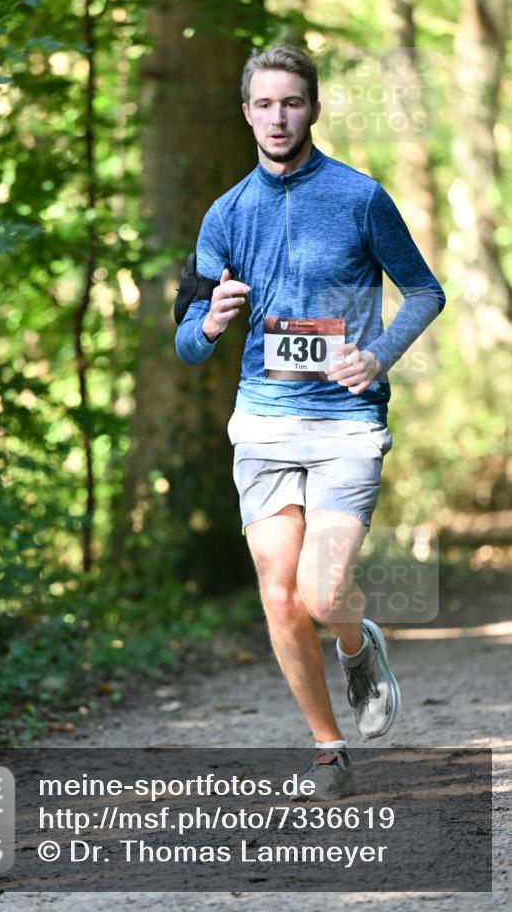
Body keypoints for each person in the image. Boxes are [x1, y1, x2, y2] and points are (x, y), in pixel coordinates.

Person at [175, 45, 446, 800]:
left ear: (313, 109)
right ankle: (328, 749)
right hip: (263, 423)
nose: (277, 117)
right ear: (245, 113)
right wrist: (209, 322)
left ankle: (357, 646)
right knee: (278, 595)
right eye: (264, 104)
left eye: (291, 102)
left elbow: (425, 292)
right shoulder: (226, 214)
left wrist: (378, 355)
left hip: (345, 425)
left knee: (323, 594)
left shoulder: (360, 198)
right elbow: (187, 337)